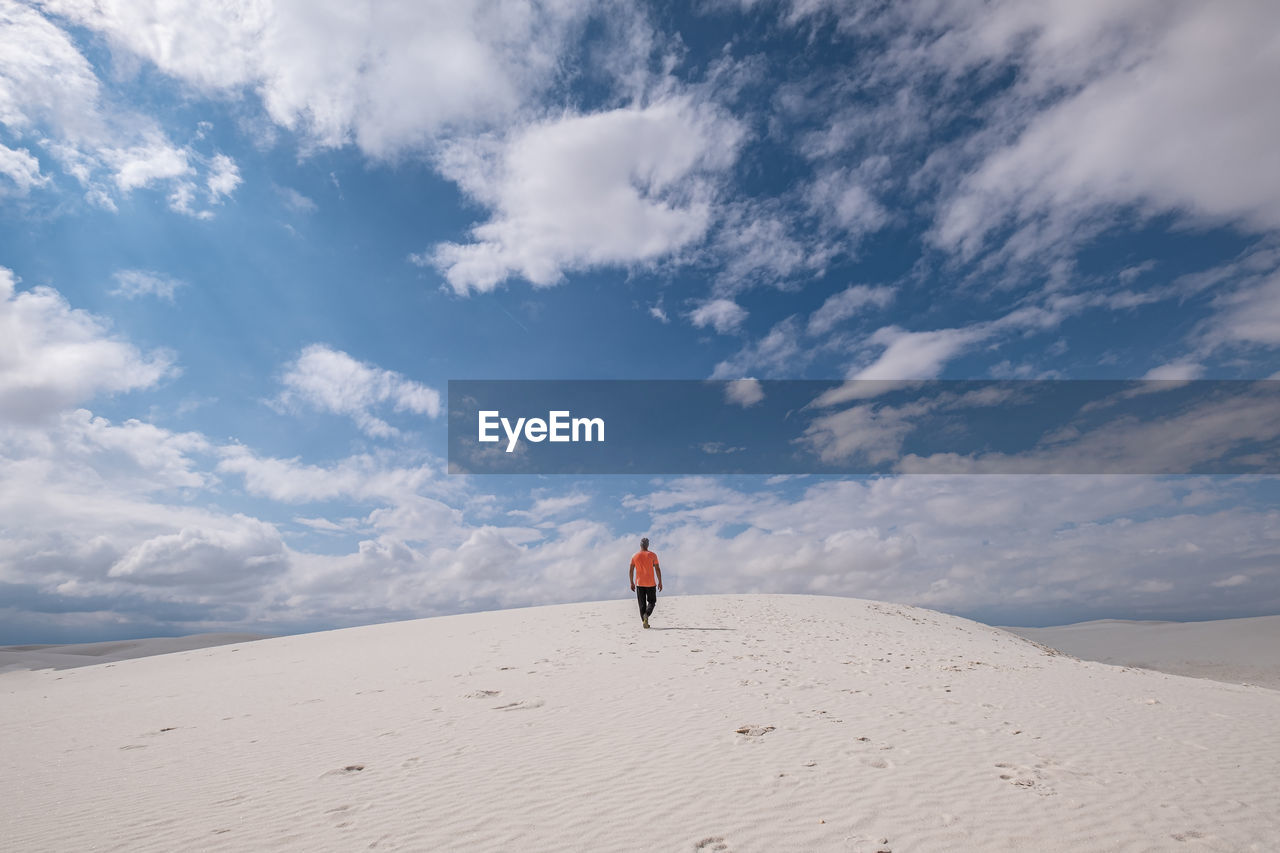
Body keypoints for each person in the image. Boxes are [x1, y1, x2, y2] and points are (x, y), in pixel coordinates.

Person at [629, 537, 662, 628]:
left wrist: (631, 582)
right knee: (652, 602)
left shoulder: (635, 556)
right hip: (651, 583)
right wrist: (660, 582)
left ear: (640, 545)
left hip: (639, 583)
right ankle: (646, 615)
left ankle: (644, 620)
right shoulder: (653, 555)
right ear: (648, 545)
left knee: (642, 604)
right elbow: (657, 569)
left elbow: (631, 570)